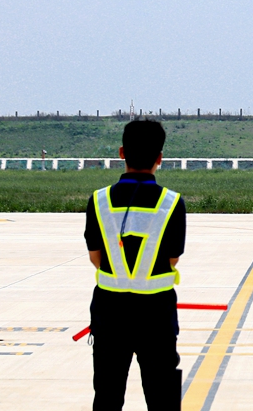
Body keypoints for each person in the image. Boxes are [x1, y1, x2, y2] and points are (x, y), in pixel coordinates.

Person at [84, 119, 186, 411]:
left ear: (121, 153)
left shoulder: (99, 200)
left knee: (107, 393)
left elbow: (95, 257)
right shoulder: (172, 202)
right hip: (156, 312)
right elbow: (172, 258)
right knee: (162, 395)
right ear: (160, 158)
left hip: (109, 310)